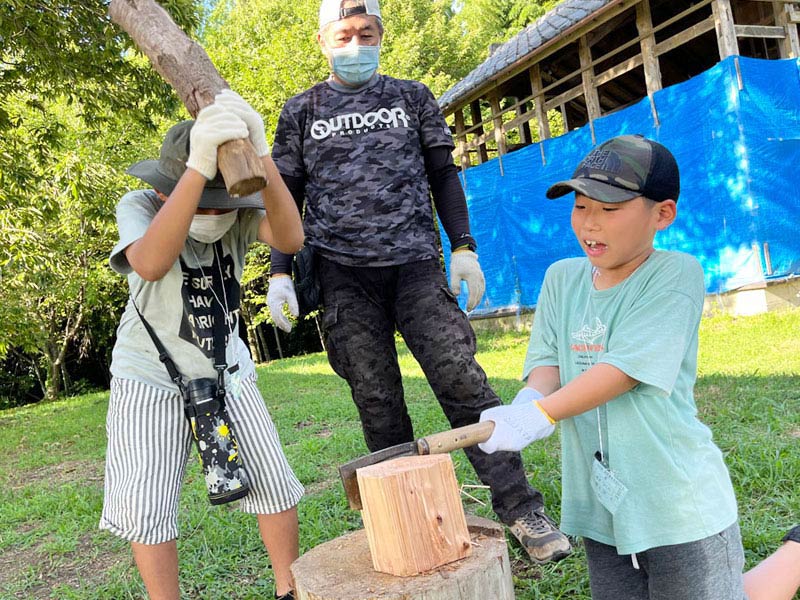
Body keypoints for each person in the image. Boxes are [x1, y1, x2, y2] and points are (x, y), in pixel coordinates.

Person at [264, 0, 570, 564]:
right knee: (377, 399)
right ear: (322, 40)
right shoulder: (300, 110)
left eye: (366, 33)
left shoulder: (412, 97)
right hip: (341, 275)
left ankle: (522, 509)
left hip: (416, 265)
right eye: (343, 35)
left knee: (461, 379)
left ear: (381, 35)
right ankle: (401, 519)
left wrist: (464, 248)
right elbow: (285, 199)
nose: (355, 44)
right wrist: (280, 273)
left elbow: (443, 175)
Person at [478, 134, 800, 599]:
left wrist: (541, 415)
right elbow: (547, 360)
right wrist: (530, 397)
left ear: (662, 214)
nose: (591, 223)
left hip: (677, 505)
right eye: (581, 207)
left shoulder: (675, 274)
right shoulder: (560, 279)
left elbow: (623, 370)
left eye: (610, 210)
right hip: (602, 505)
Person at [100, 92, 304, 600]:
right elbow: (149, 262)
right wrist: (195, 173)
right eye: (199, 198)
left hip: (226, 370)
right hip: (147, 374)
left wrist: (263, 157)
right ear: (165, 187)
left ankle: (290, 590)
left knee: (274, 482)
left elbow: (291, 237)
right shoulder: (140, 204)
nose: (213, 213)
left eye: (221, 203)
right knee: (146, 507)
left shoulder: (234, 215)